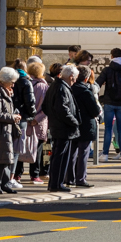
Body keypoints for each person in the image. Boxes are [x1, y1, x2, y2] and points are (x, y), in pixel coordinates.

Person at [42, 64, 80, 192]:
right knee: (61, 156)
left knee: (59, 156)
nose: (75, 81)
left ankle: (56, 183)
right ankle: (57, 183)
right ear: (70, 77)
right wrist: (75, 122)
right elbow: (62, 109)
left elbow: (46, 107)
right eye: (75, 78)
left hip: (59, 126)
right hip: (63, 128)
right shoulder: (61, 88)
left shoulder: (56, 85)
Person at [0, 67, 23, 194]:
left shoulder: (4, 92)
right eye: (12, 82)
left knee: (7, 159)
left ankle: (4, 183)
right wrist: (13, 117)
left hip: (5, 130)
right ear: (4, 81)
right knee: (0, 159)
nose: (13, 84)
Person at [17, 59, 48, 185]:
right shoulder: (43, 86)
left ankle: (17, 175)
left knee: (21, 147)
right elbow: (46, 106)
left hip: (25, 120)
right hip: (38, 123)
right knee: (37, 149)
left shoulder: (24, 83)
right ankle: (34, 175)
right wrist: (37, 119)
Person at [96, 47, 121, 160]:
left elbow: (98, 84)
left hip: (109, 102)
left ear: (111, 56)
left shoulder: (107, 70)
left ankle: (105, 153)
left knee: (108, 128)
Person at [70, 65, 100, 188]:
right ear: (86, 78)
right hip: (85, 125)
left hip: (71, 124)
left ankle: (69, 178)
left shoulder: (69, 89)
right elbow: (95, 111)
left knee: (72, 152)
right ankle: (81, 178)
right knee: (83, 153)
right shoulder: (86, 92)